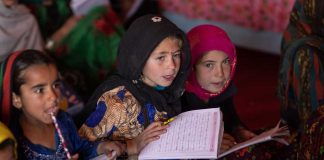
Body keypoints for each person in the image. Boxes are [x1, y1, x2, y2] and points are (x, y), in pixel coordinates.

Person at [78, 14, 191, 158]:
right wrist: (129, 146)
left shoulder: (172, 88)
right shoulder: (118, 101)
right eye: (161, 57)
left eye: (176, 55)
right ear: (139, 59)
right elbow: (79, 151)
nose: (172, 66)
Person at [0, 50, 125, 159]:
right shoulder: (12, 144)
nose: (54, 96)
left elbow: (81, 147)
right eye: (39, 90)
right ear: (16, 99)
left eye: (56, 85)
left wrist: (101, 147)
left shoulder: (63, 120)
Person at [181, 24, 257, 153]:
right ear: (191, 66)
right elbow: (173, 139)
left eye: (226, 62)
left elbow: (229, 117)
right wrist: (207, 144)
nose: (220, 74)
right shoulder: (176, 97)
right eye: (209, 64)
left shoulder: (221, 89)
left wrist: (239, 130)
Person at [277, 0, 324, 158]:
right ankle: (313, 140)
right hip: (310, 45)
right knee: (308, 59)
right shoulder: (307, 56)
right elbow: (313, 20)